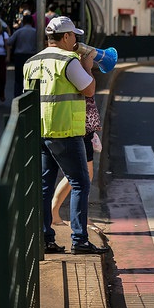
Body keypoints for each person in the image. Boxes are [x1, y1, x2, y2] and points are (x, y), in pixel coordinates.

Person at [24, 16, 108, 255]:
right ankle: (80, 240)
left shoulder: (32, 61)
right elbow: (89, 88)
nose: (76, 41)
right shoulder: (68, 61)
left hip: (39, 130)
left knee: (44, 185)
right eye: (74, 36)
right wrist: (87, 65)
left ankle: (44, 238)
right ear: (67, 37)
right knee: (80, 182)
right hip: (66, 130)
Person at [52, 95, 102, 226]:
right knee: (80, 175)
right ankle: (60, 214)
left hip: (82, 125)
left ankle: (55, 212)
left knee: (80, 175)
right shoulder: (78, 73)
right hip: (80, 126)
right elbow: (89, 88)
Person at [7, 14, 37, 97]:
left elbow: (9, 42)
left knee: (18, 79)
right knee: (31, 78)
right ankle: (30, 97)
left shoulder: (19, 31)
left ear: (23, 22)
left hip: (19, 57)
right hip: (32, 57)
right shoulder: (35, 32)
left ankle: (17, 97)